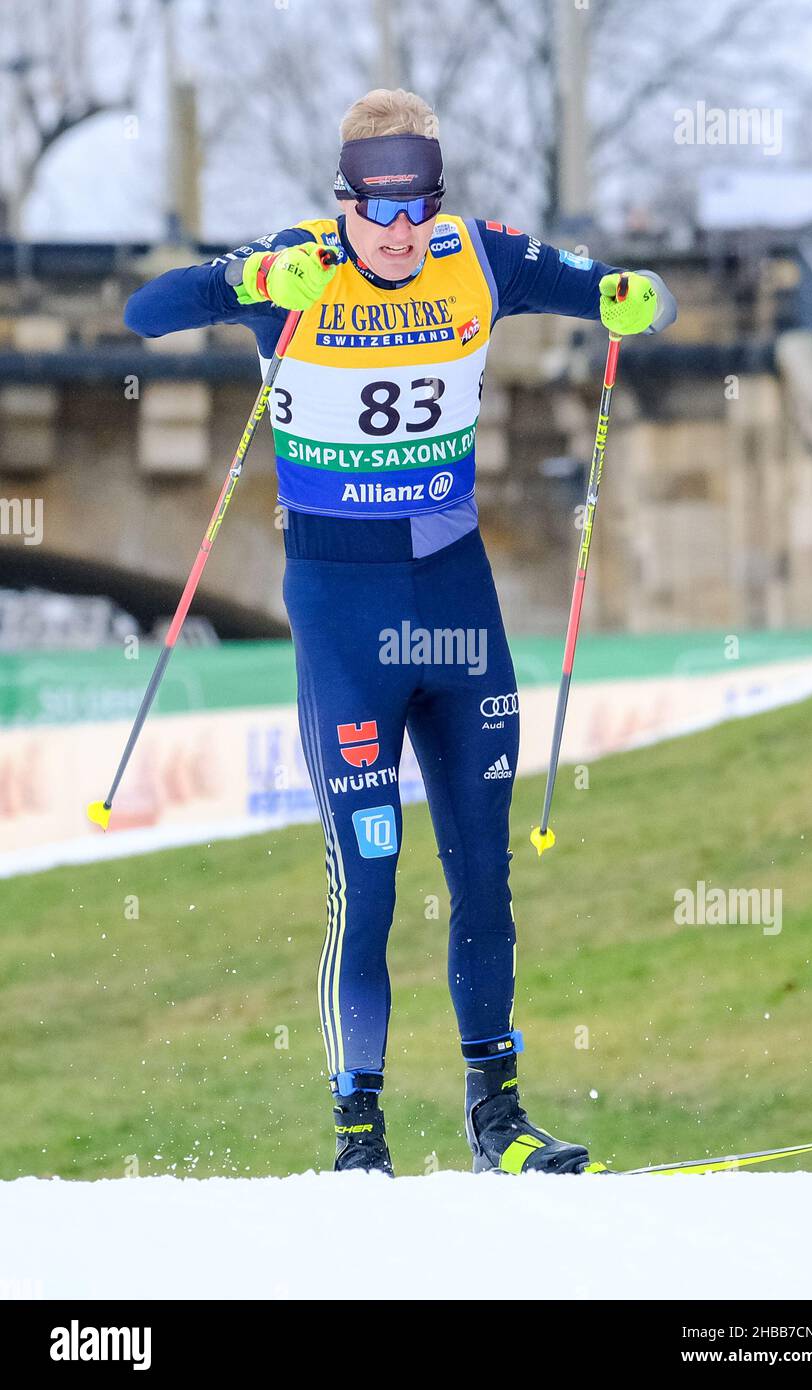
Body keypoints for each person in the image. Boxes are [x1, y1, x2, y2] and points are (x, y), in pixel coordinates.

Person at [125, 87, 677, 1176]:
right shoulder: (297, 266)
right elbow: (148, 313)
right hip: (341, 612)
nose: (395, 232)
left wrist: (634, 296)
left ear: (435, 199)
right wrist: (241, 279)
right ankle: (357, 1137)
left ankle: (496, 1119)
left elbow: (620, 293)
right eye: (374, 211)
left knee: (482, 870)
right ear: (343, 202)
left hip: (456, 602)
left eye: (414, 208)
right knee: (369, 878)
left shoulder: (478, 259)